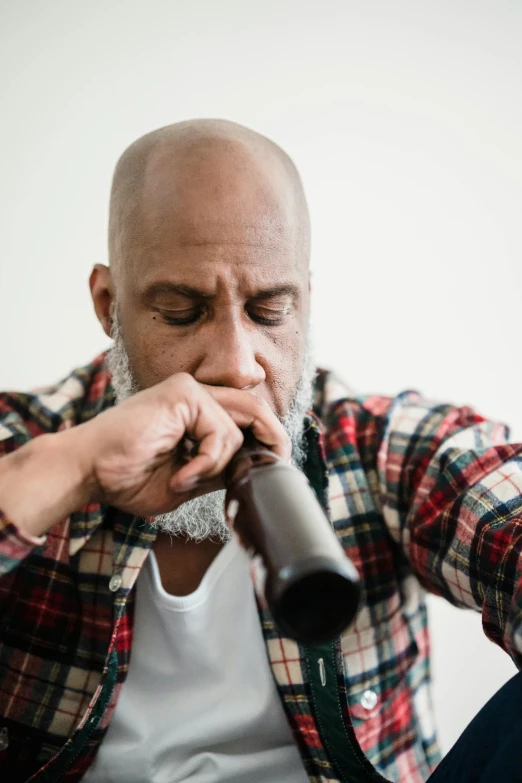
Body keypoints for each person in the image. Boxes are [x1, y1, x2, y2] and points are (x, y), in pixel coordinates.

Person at [0, 119, 520, 783]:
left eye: (270, 311)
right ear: (109, 305)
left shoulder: (382, 448)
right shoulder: (28, 443)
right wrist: (74, 467)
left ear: (305, 305)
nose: (236, 367)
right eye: (182, 312)